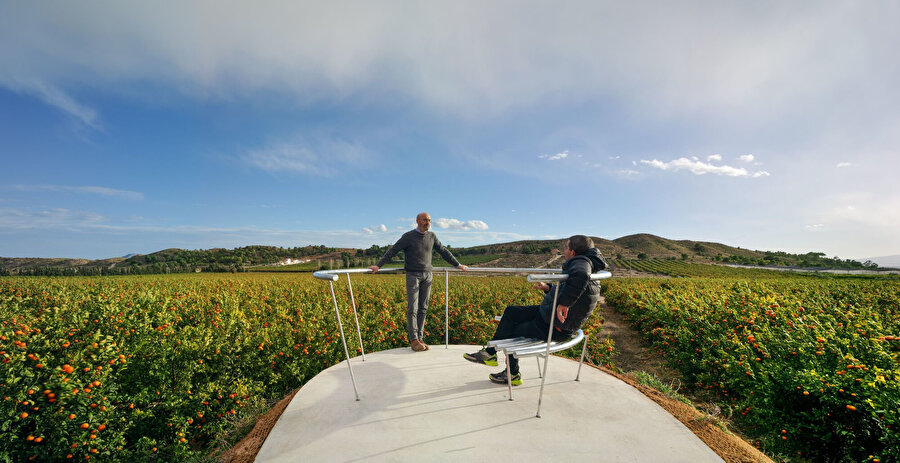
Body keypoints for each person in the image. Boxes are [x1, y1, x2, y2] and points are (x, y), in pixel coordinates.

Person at [463, 235, 607, 385]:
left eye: (566, 247)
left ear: (573, 251)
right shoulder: (590, 264)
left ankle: (511, 373)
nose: (564, 251)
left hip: (554, 326)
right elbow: (573, 287)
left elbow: (581, 276)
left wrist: (564, 304)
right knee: (512, 311)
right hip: (548, 315)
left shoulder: (581, 263)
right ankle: (490, 353)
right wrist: (548, 287)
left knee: (512, 330)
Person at [370, 212, 467, 352]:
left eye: (429, 220)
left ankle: (420, 338)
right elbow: (393, 250)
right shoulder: (408, 236)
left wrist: (458, 265)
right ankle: (414, 340)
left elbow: (443, 251)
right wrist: (378, 265)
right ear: (417, 221)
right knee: (413, 308)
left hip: (428, 275)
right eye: (424, 220)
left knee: (423, 308)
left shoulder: (432, 236)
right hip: (413, 275)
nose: (427, 222)